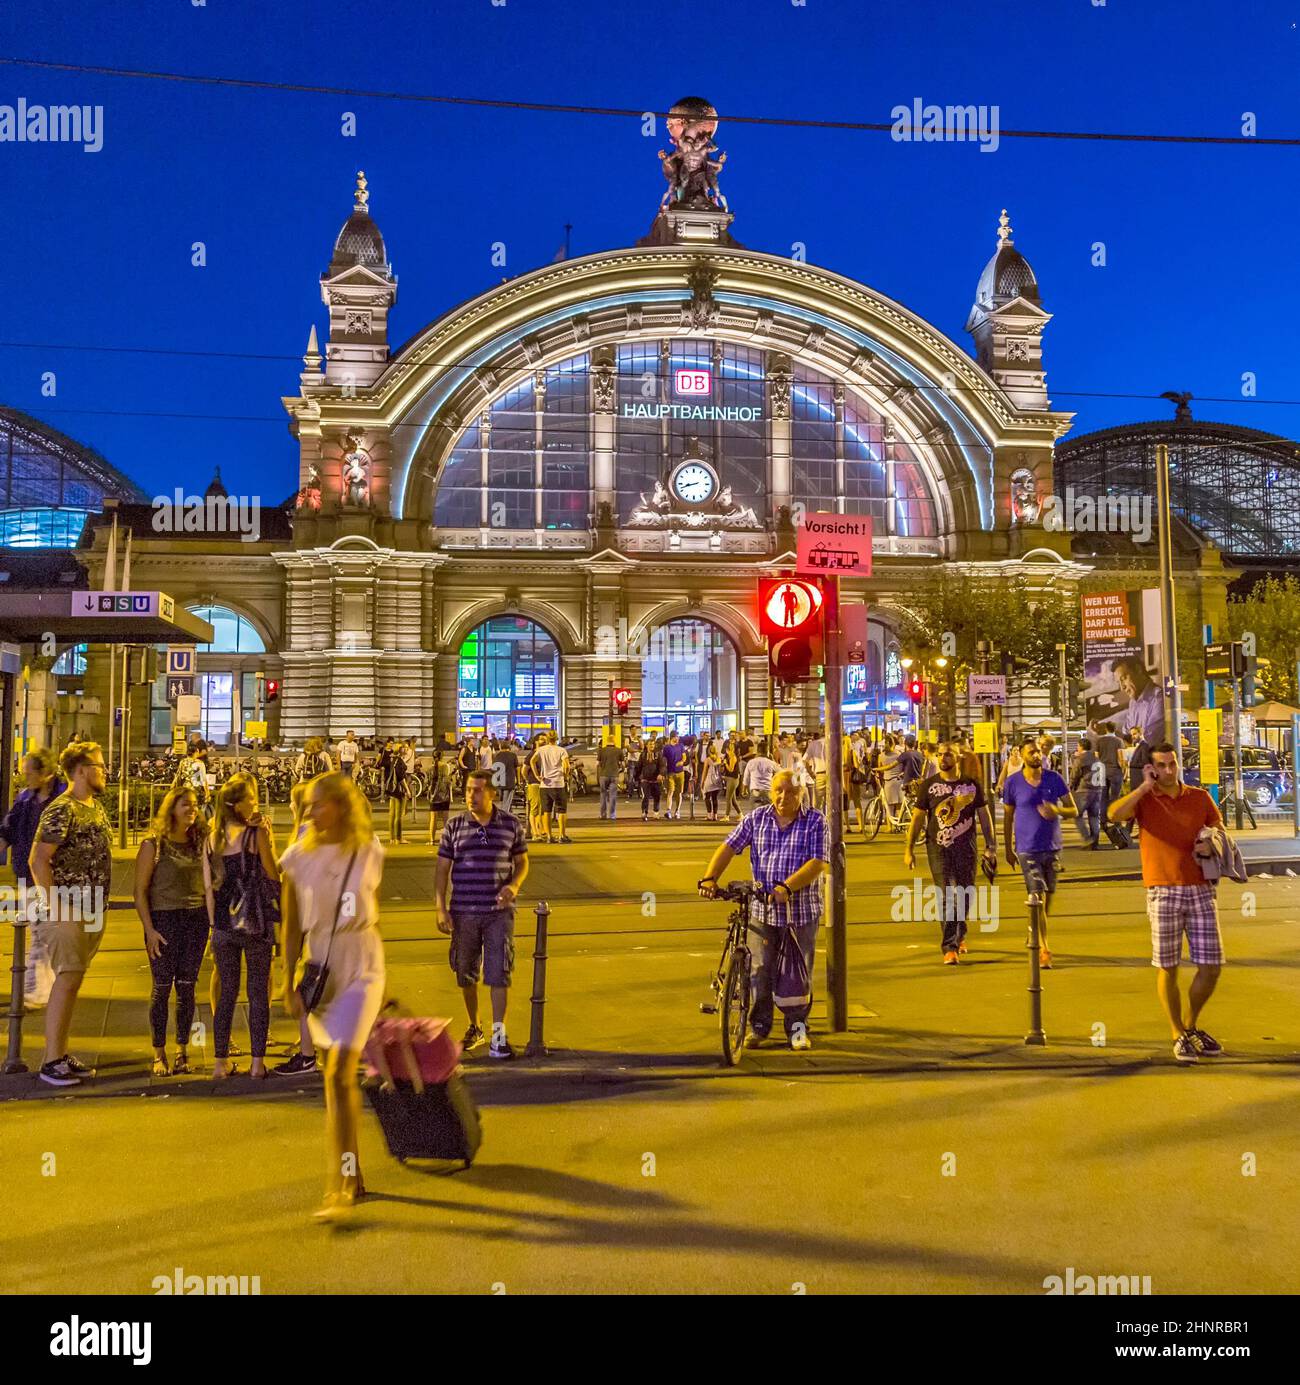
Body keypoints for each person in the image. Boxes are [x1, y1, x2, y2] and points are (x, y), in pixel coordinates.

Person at [282, 773, 386, 1220]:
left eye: (319, 804)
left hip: (361, 963)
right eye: (307, 805)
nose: (310, 812)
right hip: (321, 965)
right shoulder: (297, 859)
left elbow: (367, 906)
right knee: (333, 1073)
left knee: (339, 1073)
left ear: (341, 807)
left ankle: (339, 1185)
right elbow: (288, 924)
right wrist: (286, 981)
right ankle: (354, 1169)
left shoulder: (368, 850)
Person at [1108, 742, 1226, 1064]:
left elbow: (1219, 829)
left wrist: (1211, 843)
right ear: (1151, 768)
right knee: (1168, 966)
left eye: (1172, 764)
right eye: (1161, 766)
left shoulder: (1199, 797)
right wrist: (1144, 786)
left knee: (1212, 966)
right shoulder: (1145, 799)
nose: (1169, 771)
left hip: (1201, 888)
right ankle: (1177, 1033)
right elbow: (1114, 815)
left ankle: (1190, 1026)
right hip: (1162, 890)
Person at [699, 770, 829, 1051]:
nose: (784, 797)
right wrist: (710, 878)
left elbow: (818, 862)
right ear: (770, 792)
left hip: (800, 913)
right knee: (759, 970)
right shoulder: (756, 819)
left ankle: (797, 1030)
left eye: (792, 792)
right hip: (762, 910)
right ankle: (759, 1027)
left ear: (802, 793)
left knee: (798, 975)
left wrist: (787, 887)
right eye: (779, 791)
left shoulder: (815, 821)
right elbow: (729, 847)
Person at [29, 742, 112, 1086]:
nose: (104, 770)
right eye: (99, 765)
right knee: (66, 980)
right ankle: (51, 1062)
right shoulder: (63, 809)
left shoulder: (93, 807)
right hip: (70, 910)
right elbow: (38, 859)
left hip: (90, 909)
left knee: (72, 980)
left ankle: (60, 1055)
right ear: (81, 771)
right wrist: (58, 908)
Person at [436, 768, 529, 1060]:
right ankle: (474, 1026)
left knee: (499, 973)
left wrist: (514, 885)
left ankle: (498, 1037)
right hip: (463, 911)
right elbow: (442, 871)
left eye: (477, 790)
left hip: (498, 912)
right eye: (467, 790)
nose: (470, 796)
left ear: (492, 794)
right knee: (465, 973)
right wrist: (440, 907)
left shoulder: (511, 825)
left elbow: (523, 862)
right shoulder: (454, 826)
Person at [135, 786, 213, 1076]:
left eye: (194, 805)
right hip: (163, 922)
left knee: (187, 988)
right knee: (161, 988)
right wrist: (149, 930)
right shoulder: (154, 844)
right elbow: (139, 892)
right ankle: (158, 1053)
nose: (191, 810)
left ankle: (182, 1050)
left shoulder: (201, 842)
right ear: (172, 809)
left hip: (196, 920)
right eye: (185, 805)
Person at [208, 773, 279, 1080]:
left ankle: (220, 1063)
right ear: (237, 804)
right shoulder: (255, 835)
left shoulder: (212, 838)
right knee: (258, 992)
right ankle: (257, 1063)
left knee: (226, 993)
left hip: (224, 925)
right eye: (251, 797)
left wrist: (214, 925)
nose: (255, 802)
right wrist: (269, 835)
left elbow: (209, 888)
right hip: (255, 923)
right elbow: (273, 874)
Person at [904, 741, 998, 964]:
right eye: (940, 754)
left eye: (948, 755)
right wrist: (908, 849)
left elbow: (984, 817)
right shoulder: (929, 785)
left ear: (957, 759)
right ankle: (949, 946)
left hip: (967, 848)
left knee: (966, 894)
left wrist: (991, 846)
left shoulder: (971, 785)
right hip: (938, 849)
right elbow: (917, 818)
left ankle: (960, 932)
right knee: (946, 895)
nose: (942, 758)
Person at [1002, 736, 1078, 970]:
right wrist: (1007, 848)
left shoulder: (1054, 779)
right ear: (1021, 755)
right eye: (1031, 752)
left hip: (1052, 846)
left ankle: (1034, 929)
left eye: (1038, 752)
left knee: (1047, 898)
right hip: (1026, 848)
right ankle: (1044, 947)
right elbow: (1008, 816)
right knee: (1038, 895)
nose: (1036, 755)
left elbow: (1073, 810)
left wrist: (1057, 809)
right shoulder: (1013, 783)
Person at [270, 780, 320, 1076]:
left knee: (306, 990)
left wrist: (263, 842)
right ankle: (313, 1048)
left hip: (311, 923)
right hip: (317, 923)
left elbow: (280, 870)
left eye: (292, 801)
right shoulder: (316, 834)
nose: (289, 806)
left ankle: (308, 1054)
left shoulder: (304, 834)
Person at [0, 747, 67, 891]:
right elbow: (8, 830)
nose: (26, 779)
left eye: (29, 774)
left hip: (55, 879)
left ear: (43, 773)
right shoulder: (24, 799)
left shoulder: (62, 799)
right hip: (26, 877)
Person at [530, 731, 572, 843]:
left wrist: (537, 775)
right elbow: (566, 766)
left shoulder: (541, 750)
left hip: (545, 784)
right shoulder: (562, 751)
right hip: (558, 783)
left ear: (547, 739)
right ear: (557, 738)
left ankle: (549, 836)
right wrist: (565, 775)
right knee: (561, 810)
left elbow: (532, 761)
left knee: (546, 811)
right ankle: (562, 835)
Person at [1113, 657, 1165, 747]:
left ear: (1138, 670)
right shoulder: (1133, 703)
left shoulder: (1159, 698)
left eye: (1124, 678)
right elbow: (1126, 734)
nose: (1122, 688)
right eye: (1119, 683)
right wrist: (1107, 731)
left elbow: (1150, 739)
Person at [1091, 720, 1128, 844]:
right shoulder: (1119, 741)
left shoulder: (1099, 741)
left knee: (1103, 797)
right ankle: (1115, 820)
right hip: (1115, 771)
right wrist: (1123, 769)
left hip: (1102, 771)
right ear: (1115, 729)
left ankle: (1102, 821)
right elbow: (1121, 757)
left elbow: (1096, 756)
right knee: (1115, 797)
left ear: (1106, 729)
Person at [1070, 739, 1103, 849]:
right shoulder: (1097, 759)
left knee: (1077, 814)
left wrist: (1071, 786)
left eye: (1078, 746)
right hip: (1097, 790)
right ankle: (1095, 842)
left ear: (1081, 747)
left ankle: (1087, 838)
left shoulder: (1080, 759)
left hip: (1084, 790)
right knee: (1094, 816)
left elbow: (1075, 774)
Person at [377, 738, 406, 843]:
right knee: (398, 815)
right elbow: (401, 778)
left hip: (391, 787)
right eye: (404, 748)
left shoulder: (392, 760)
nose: (406, 749)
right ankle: (399, 838)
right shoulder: (399, 761)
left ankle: (391, 838)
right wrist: (407, 790)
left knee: (392, 814)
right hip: (398, 788)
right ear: (400, 750)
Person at [172, 740, 212, 813]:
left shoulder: (183, 762)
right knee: (196, 812)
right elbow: (203, 780)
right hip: (196, 792)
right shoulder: (199, 763)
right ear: (196, 751)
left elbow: (178, 776)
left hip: (185, 791)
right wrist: (207, 793)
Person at [426, 748, 454, 844]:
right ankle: (447, 839)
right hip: (444, 795)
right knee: (445, 818)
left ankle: (431, 839)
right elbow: (447, 781)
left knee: (433, 818)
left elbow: (427, 782)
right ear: (442, 756)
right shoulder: (445, 766)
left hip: (433, 795)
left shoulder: (430, 768)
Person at [741, 743, 778, 810]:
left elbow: (746, 778)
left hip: (755, 791)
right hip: (768, 791)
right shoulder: (771, 763)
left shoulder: (751, 762)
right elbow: (780, 773)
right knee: (768, 814)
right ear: (767, 751)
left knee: (755, 814)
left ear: (758, 751)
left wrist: (744, 790)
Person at [637, 738, 666, 820]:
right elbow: (639, 767)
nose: (652, 746)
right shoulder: (642, 755)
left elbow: (662, 766)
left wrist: (661, 774)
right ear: (647, 745)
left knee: (657, 796)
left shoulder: (658, 754)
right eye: (650, 744)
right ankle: (644, 813)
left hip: (656, 780)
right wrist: (638, 777)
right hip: (645, 780)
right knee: (645, 797)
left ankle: (656, 812)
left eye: (653, 744)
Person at [596, 735, 623, 821]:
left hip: (603, 775)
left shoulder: (601, 750)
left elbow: (597, 764)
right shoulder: (619, 750)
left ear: (606, 741)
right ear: (614, 741)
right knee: (613, 796)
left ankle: (603, 814)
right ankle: (612, 815)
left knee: (603, 795)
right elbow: (623, 764)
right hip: (614, 775)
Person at [661, 730, 687, 821]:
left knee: (679, 792)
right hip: (671, 772)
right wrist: (663, 770)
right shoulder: (667, 748)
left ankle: (677, 811)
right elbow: (664, 760)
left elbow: (684, 756)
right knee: (671, 791)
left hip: (680, 772)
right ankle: (668, 811)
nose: (678, 738)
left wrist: (682, 761)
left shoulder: (681, 746)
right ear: (673, 737)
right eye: (677, 736)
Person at [491, 738, 519, 816]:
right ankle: (503, 817)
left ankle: (508, 814)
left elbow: (494, 769)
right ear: (509, 747)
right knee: (507, 802)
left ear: (500, 747)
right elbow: (517, 768)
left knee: (502, 800)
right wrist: (518, 780)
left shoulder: (496, 756)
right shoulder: (513, 755)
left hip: (499, 781)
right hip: (509, 781)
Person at [700, 740, 724, 821]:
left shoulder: (707, 760)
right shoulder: (719, 759)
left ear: (709, 751)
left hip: (709, 780)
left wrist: (702, 782)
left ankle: (709, 815)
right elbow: (721, 770)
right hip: (717, 781)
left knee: (707, 797)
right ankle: (715, 815)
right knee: (714, 798)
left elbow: (704, 772)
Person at [722, 732, 742, 822]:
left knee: (728, 798)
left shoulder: (733, 758)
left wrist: (726, 764)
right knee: (733, 799)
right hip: (729, 778)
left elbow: (730, 769)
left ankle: (727, 816)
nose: (726, 750)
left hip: (733, 779)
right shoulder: (729, 757)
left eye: (728, 749)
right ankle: (740, 814)